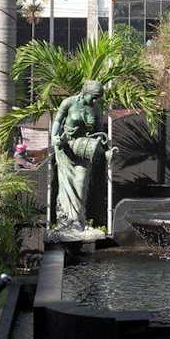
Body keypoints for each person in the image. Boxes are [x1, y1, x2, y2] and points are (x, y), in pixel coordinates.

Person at [50, 81, 107, 230]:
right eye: (93, 97)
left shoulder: (97, 108)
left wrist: (98, 142)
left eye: (98, 98)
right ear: (85, 92)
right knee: (66, 185)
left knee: (81, 184)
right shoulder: (68, 103)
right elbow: (58, 121)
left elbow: (100, 130)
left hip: (84, 149)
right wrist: (54, 137)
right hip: (66, 148)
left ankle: (78, 220)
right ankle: (67, 222)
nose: (95, 101)